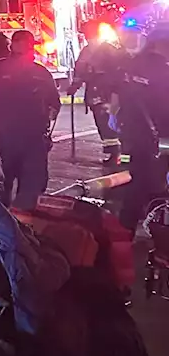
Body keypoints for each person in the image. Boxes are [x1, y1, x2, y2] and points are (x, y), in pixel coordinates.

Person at [0, 29, 61, 209]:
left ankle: (10, 228)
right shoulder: (38, 72)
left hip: (21, 139)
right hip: (16, 139)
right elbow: (54, 105)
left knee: (11, 187)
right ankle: (18, 227)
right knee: (13, 187)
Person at [111, 26, 169, 231]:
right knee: (153, 184)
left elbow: (118, 95)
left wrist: (115, 117)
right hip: (159, 136)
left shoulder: (132, 64)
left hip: (135, 134)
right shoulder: (162, 68)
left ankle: (125, 232)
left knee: (138, 183)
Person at [70, 21, 127, 167]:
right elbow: (80, 70)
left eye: (90, 33)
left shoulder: (108, 50)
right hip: (95, 93)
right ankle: (114, 153)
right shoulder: (87, 51)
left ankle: (119, 154)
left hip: (107, 93)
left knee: (110, 123)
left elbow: (118, 71)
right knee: (102, 124)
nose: (88, 36)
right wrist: (75, 85)